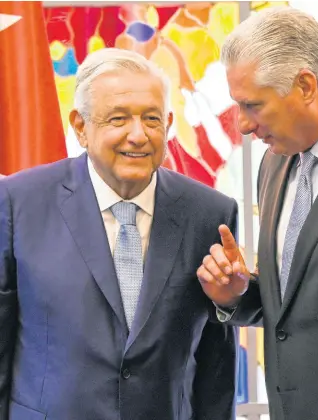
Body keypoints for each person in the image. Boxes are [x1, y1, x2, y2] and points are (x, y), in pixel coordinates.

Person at [0, 48, 239, 420]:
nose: (138, 135)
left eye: (151, 119)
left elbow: (215, 360)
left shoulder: (209, 213)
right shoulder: (19, 201)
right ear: (80, 127)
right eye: (118, 119)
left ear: (169, 123)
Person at [197, 7, 318, 420]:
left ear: (305, 85)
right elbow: (295, 306)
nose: (243, 126)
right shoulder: (274, 164)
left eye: (252, 105)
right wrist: (236, 293)